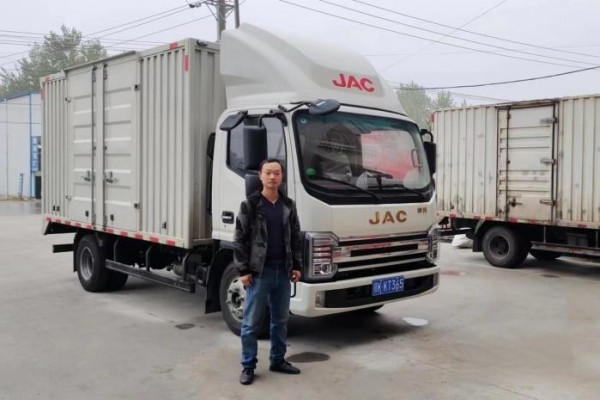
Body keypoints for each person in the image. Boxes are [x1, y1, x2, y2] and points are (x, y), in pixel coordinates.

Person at [233, 158, 303, 385]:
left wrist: (297, 265)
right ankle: (248, 366)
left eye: (277, 173)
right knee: (251, 323)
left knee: (280, 320)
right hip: (259, 273)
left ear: (282, 177)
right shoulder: (250, 205)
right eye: (268, 172)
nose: (273, 177)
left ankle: (278, 360)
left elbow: (296, 237)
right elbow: (240, 239)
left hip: (282, 271)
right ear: (260, 176)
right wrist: (243, 269)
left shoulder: (288, 205)